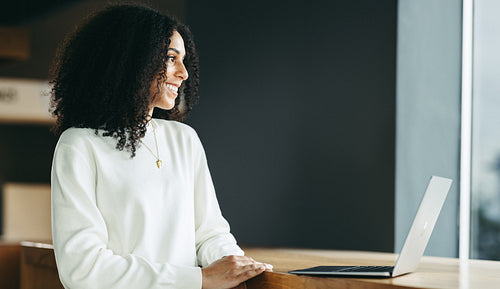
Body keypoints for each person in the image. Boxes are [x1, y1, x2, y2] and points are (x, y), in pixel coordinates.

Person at [49, 4, 272, 289]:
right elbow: (83, 270)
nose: (183, 73)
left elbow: (209, 234)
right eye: (170, 58)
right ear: (130, 60)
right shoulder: (79, 145)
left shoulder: (184, 139)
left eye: (184, 60)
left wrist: (237, 265)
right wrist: (200, 279)